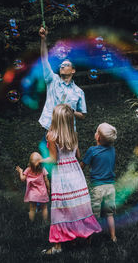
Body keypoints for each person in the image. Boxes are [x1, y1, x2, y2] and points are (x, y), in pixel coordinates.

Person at [40, 104, 101, 255]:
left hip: (62, 174)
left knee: (61, 209)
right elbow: (78, 156)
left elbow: (54, 159)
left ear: (56, 119)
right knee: (79, 205)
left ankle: (57, 247)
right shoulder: (74, 134)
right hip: (75, 173)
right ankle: (86, 238)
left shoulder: (51, 136)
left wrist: (40, 161)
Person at [38, 26, 87, 135]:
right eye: (61, 65)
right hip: (50, 129)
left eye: (66, 65)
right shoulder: (52, 80)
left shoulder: (79, 92)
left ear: (73, 70)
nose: (62, 66)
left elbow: (83, 115)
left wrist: (72, 111)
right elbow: (44, 59)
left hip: (68, 132)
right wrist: (43, 40)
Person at [80, 123, 118, 243]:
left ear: (98, 137)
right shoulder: (112, 150)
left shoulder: (92, 150)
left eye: (97, 131)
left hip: (97, 188)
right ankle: (113, 237)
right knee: (109, 214)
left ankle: (89, 240)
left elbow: (82, 166)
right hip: (110, 187)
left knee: (93, 215)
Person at [15, 152, 50, 222]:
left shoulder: (28, 170)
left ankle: (31, 222)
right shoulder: (43, 170)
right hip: (42, 193)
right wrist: (48, 189)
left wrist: (20, 171)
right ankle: (45, 222)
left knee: (32, 209)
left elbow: (22, 179)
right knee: (44, 207)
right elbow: (46, 181)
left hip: (32, 194)